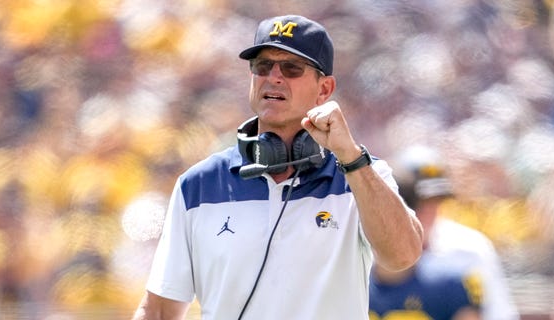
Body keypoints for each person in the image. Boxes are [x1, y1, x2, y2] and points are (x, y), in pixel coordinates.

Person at [132, 15, 423, 320]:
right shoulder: (198, 185)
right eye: (262, 66)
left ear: (324, 89)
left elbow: (403, 255)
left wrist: (351, 158)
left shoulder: (363, 175)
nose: (273, 77)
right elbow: (160, 311)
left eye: (291, 68)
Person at [369, 145, 519, 320]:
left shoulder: (470, 248)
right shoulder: (368, 242)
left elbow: (499, 314)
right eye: (420, 202)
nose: (431, 211)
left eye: (437, 200)